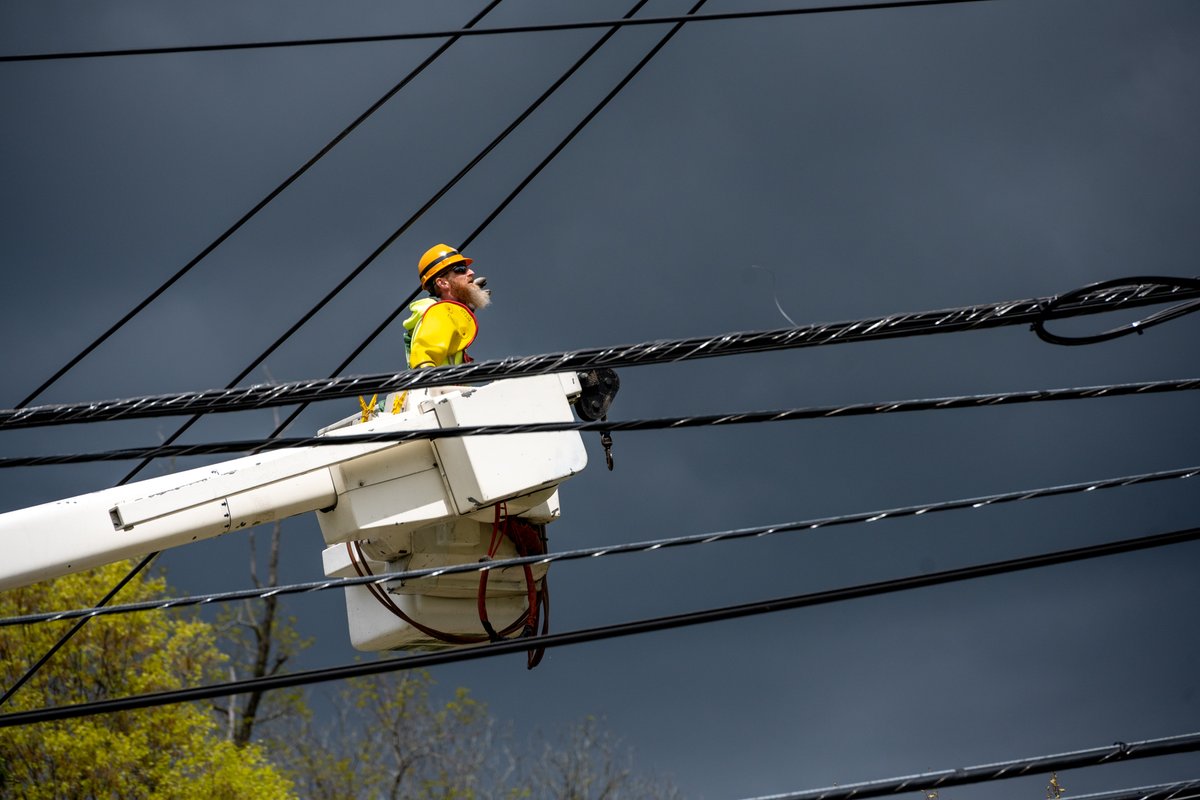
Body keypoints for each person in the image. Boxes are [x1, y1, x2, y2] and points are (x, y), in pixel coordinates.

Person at [404, 244, 491, 370]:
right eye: (461, 269)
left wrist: (462, 312)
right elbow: (423, 360)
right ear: (442, 283)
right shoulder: (441, 312)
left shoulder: (440, 313)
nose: (471, 272)